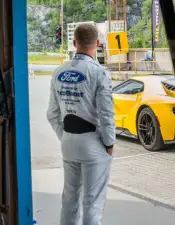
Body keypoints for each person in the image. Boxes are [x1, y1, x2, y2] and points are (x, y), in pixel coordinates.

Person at [46, 23, 115, 225]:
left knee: (69, 200)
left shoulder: (59, 71)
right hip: (93, 145)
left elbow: (52, 113)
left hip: (68, 143)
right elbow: (106, 114)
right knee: (92, 204)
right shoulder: (99, 73)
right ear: (98, 44)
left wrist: (65, 136)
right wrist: (109, 143)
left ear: (74, 42)